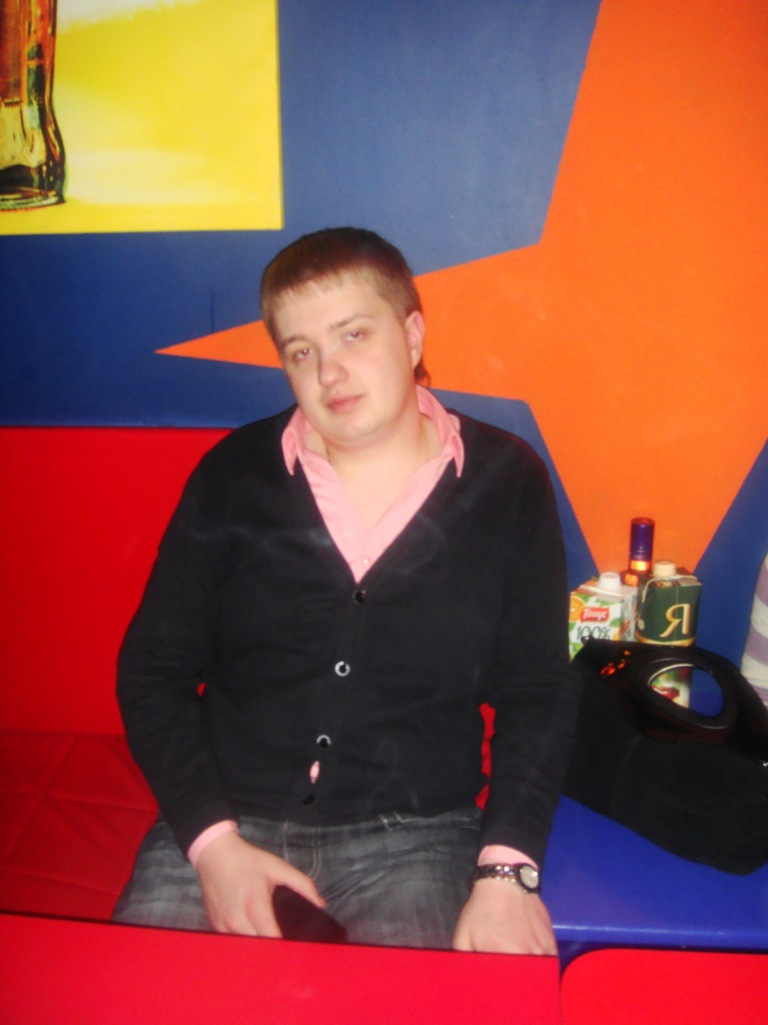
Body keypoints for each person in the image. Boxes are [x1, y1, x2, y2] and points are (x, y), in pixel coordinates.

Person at [114, 227, 578, 954]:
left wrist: (506, 871)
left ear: (412, 334)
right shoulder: (234, 475)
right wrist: (211, 843)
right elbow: (152, 671)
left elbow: (538, 690)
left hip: (416, 840)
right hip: (226, 826)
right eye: (301, 351)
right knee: (131, 998)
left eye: (353, 334)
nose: (330, 372)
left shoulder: (508, 482)